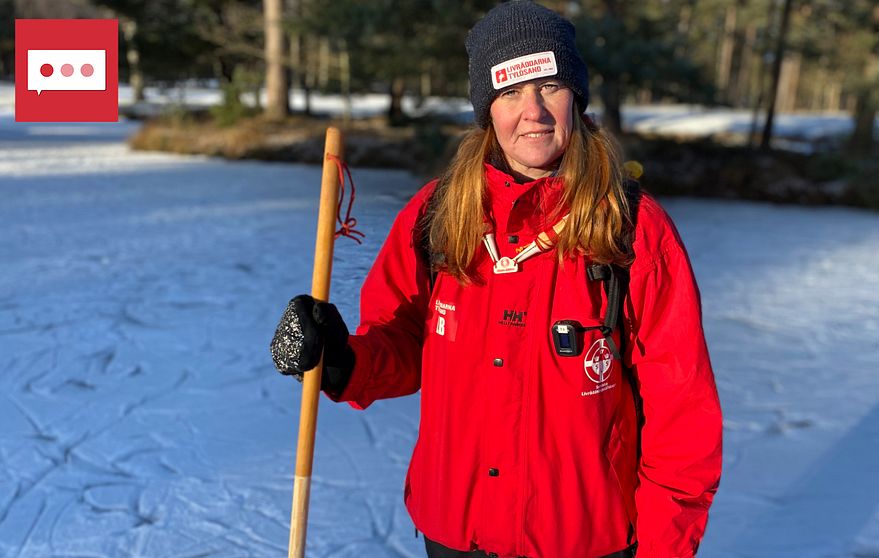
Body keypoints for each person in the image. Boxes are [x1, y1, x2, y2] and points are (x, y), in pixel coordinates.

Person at [269, 2, 722, 557]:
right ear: (487, 108)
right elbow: (405, 341)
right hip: (456, 531)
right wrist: (342, 359)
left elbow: (682, 417)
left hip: (582, 539)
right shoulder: (437, 214)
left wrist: (663, 550)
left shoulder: (632, 229)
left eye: (550, 86)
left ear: (576, 97)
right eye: (510, 92)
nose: (533, 112)